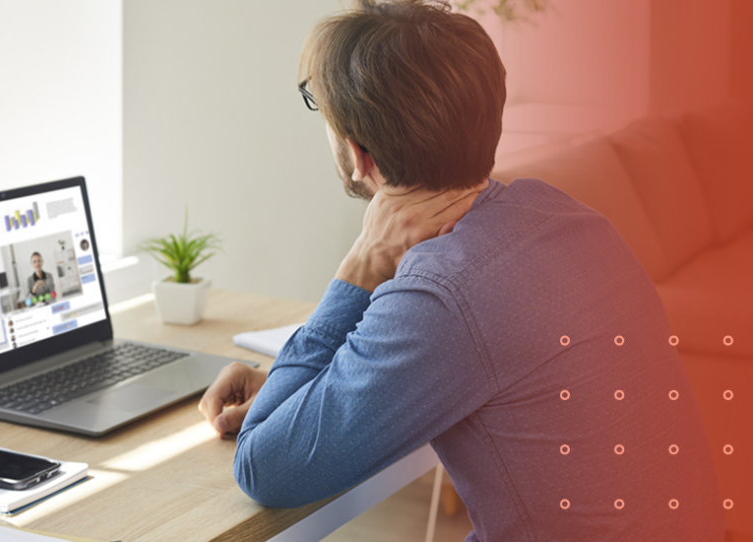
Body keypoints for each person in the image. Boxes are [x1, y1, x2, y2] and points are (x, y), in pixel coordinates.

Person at [199, 1, 723, 540]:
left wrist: (361, 265)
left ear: (360, 155)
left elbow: (263, 467)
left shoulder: (442, 292)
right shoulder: (570, 219)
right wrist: (300, 387)